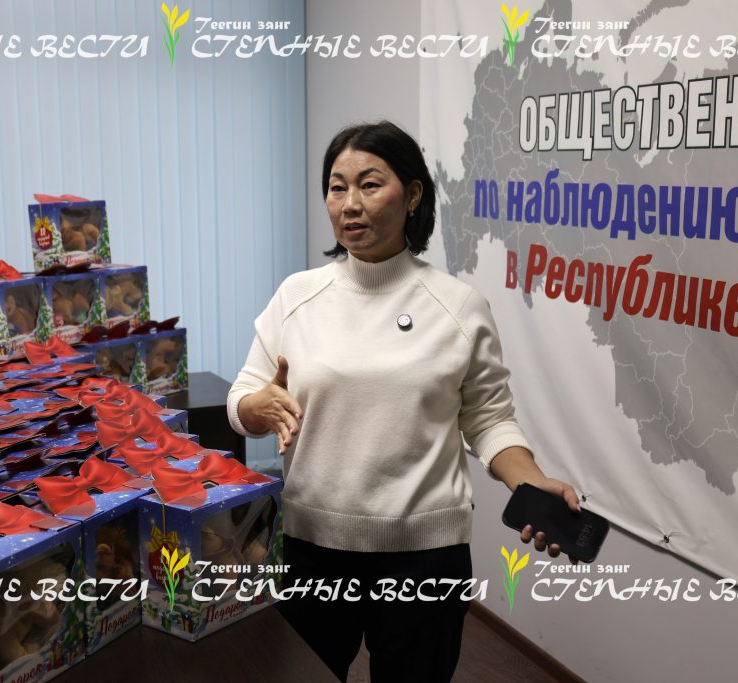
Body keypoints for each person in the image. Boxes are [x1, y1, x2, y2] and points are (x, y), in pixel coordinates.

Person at [227, 120, 579, 683]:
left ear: (413, 195)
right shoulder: (298, 296)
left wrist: (530, 481)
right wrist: (257, 407)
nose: (350, 204)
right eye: (337, 187)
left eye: (370, 184)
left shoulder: (459, 306)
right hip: (313, 546)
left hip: (426, 557)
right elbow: (243, 397)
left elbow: (489, 419)